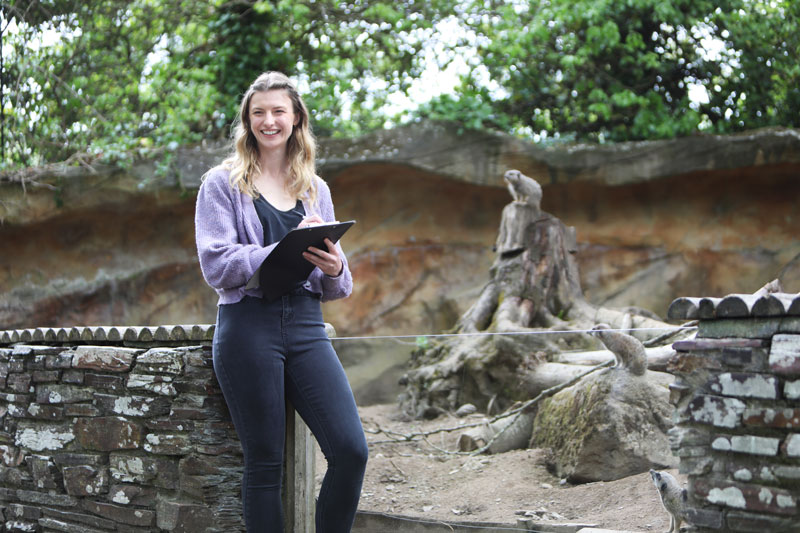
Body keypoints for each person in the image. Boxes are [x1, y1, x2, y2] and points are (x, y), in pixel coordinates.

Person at [194, 71, 368, 532]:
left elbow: (337, 282)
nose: (268, 121)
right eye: (259, 113)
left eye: (278, 111)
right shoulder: (221, 183)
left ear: (296, 119)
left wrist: (336, 267)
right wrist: (280, 249)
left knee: (351, 451)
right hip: (248, 325)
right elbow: (216, 262)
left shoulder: (315, 188)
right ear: (247, 121)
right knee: (265, 463)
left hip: (308, 327)